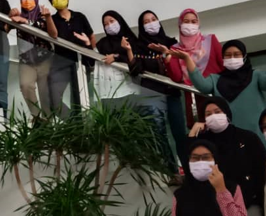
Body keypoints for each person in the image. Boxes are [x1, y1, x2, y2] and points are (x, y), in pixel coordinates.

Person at [171, 39, 266, 141]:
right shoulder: (216, 79)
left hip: (259, 136)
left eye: (236, 54)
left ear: (244, 57)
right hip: (231, 139)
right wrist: (187, 59)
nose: (232, 58)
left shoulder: (255, 75)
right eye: (228, 55)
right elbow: (202, 85)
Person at [136, 10, 189, 171]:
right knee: (159, 133)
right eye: (146, 22)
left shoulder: (171, 43)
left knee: (179, 132)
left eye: (153, 19)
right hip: (151, 93)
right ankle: (172, 171)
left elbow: (179, 69)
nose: (151, 23)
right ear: (141, 27)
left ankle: (188, 169)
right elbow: (137, 68)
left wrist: (166, 53)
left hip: (172, 92)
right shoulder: (139, 46)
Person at [165, 9, 224, 126]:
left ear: (198, 24)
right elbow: (177, 77)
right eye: (186, 21)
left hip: (215, 91)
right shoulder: (175, 48)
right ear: (180, 25)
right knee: (200, 131)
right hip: (194, 97)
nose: (190, 25)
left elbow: (223, 65)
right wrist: (167, 59)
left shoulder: (210, 40)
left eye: (194, 21)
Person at [47, 0, 96, 116]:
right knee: (54, 99)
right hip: (60, 62)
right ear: (52, 3)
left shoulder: (79, 17)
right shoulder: (52, 19)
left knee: (80, 99)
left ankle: (81, 123)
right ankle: (72, 122)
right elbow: (53, 35)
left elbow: (91, 36)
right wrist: (47, 18)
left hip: (82, 63)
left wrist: (91, 55)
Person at [10, 0, 57, 118]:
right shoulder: (18, 17)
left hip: (45, 59)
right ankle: (37, 118)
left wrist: (47, 18)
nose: (27, 0)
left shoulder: (43, 15)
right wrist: (10, 15)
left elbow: (54, 34)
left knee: (45, 91)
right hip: (26, 60)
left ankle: (48, 120)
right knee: (25, 86)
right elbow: (5, 28)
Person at [94, 10, 139, 104]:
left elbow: (136, 61)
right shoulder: (103, 43)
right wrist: (86, 43)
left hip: (130, 90)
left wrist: (116, 56)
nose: (109, 26)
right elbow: (92, 57)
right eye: (106, 24)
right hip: (109, 93)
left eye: (112, 21)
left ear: (119, 21)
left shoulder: (131, 40)